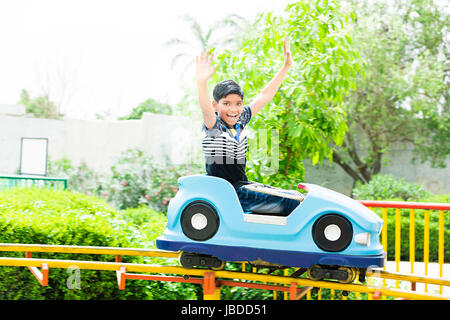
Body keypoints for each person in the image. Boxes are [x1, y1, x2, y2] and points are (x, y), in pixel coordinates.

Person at [195, 38, 300, 216]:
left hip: (244, 186)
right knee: (292, 205)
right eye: (226, 103)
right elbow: (205, 108)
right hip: (228, 194)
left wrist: (285, 67)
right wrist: (201, 82)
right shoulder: (215, 126)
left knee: (297, 197)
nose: (233, 109)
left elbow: (265, 95)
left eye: (238, 104)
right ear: (215, 105)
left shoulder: (240, 119)